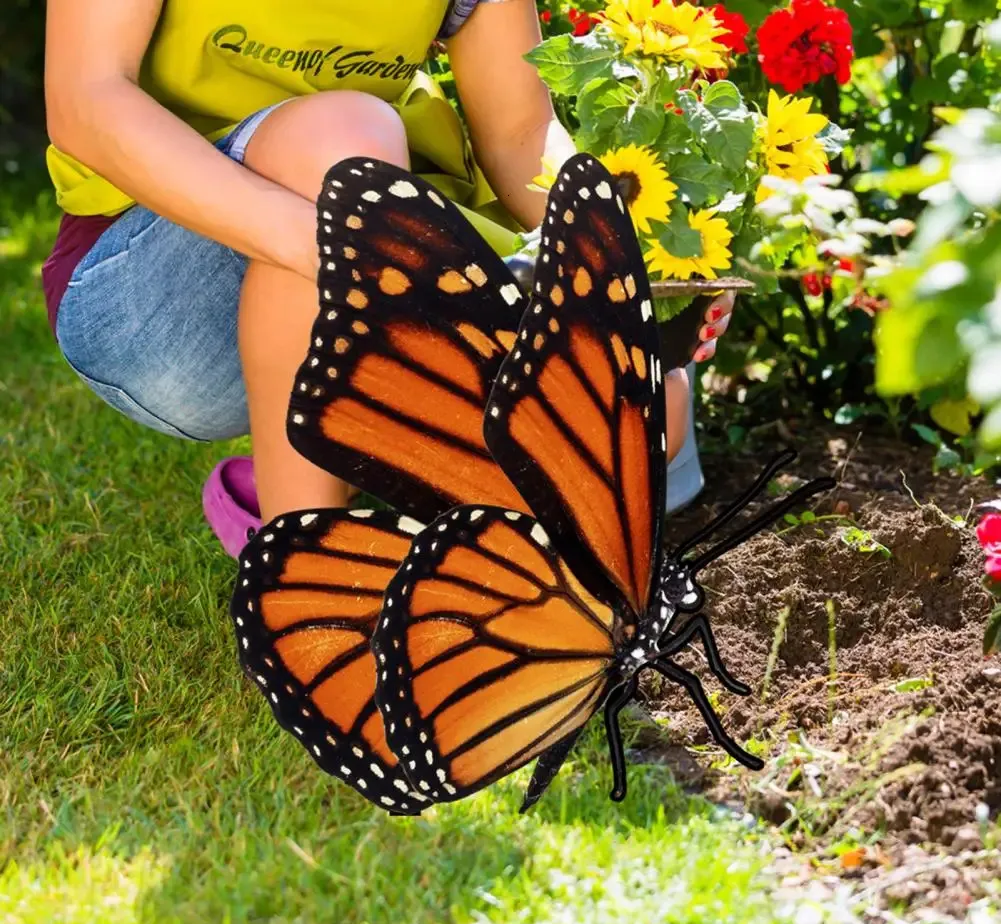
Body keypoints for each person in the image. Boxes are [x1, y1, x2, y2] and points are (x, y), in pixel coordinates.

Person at [42, 0, 733, 557]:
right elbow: (85, 99)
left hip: (360, 244)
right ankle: (305, 581)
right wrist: (336, 248)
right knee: (344, 137)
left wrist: (617, 275)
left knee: (654, 405)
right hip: (146, 294)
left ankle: (336, 473)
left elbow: (519, 131)